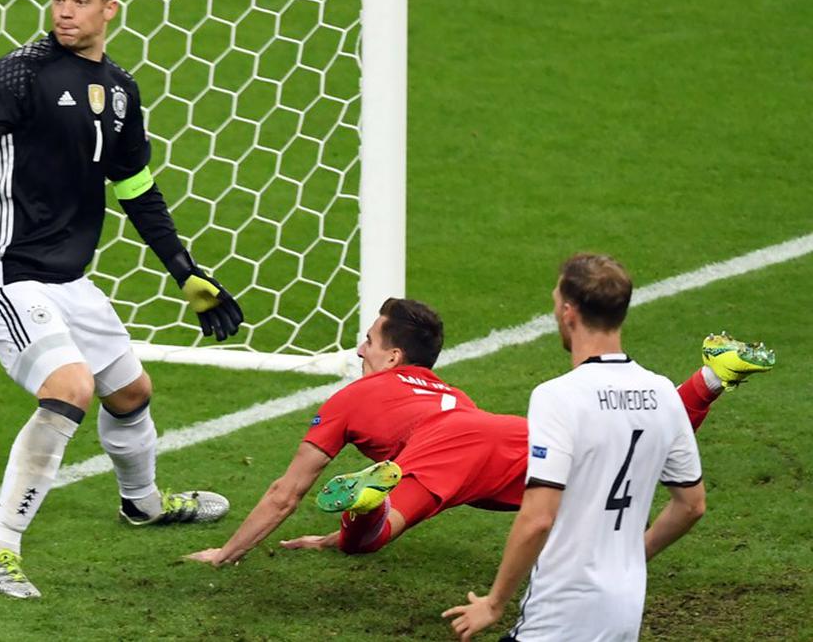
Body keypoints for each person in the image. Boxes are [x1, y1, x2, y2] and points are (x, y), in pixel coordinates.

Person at [0, 0, 244, 599]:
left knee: (130, 393)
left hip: (67, 277)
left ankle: (142, 503)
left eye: (80, 1)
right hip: (5, 269)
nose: (65, 12)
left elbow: (137, 189)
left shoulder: (121, 91)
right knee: (69, 387)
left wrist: (184, 271)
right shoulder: (17, 74)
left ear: (109, 9)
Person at [184, 295, 771, 567]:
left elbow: (287, 492)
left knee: (372, 538)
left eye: (368, 340)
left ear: (392, 357)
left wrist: (227, 552)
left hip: (447, 451)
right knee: (620, 448)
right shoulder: (446, 390)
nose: (360, 349)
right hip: (498, 431)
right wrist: (327, 541)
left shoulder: (349, 398)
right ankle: (710, 378)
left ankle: (367, 504)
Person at [441, 254, 726, 641]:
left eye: (556, 300)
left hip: (561, 614)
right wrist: (632, 556)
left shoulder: (558, 397)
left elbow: (538, 517)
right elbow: (691, 504)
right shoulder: (663, 394)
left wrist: (494, 604)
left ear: (568, 312)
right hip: (624, 611)